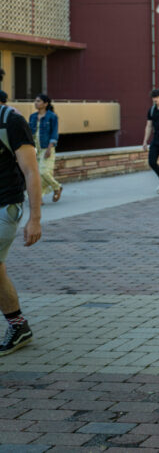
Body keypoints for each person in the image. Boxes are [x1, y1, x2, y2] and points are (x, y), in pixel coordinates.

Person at [0, 99, 43, 355]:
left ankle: (18, 326)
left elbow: (31, 171)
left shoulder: (11, 121)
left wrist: (35, 218)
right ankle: (19, 326)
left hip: (5, 206)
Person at [29, 94, 62, 203]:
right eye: (35, 101)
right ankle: (39, 197)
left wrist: (49, 148)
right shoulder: (32, 117)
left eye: (38, 101)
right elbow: (29, 134)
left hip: (47, 148)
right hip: (35, 149)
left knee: (43, 172)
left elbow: (54, 133)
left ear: (45, 103)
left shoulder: (52, 116)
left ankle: (57, 187)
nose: (36, 103)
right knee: (37, 175)